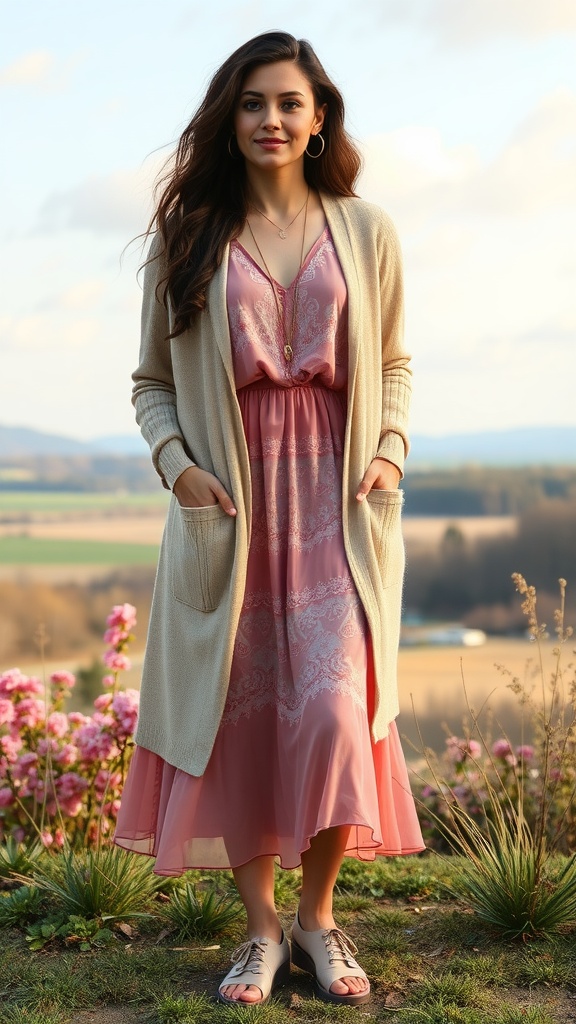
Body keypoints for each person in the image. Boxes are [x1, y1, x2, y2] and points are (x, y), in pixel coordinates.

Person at [114, 30, 424, 1008]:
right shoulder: (190, 237)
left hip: (339, 505)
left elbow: (399, 362)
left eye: (289, 103)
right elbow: (152, 383)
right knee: (240, 724)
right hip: (232, 509)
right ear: (230, 118)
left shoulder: (367, 230)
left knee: (333, 715)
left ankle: (317, 919)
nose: (272, 120)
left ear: (319, 114)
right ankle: (258, 932)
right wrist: (179, 469)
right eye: (253, 104)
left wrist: (389, 450)